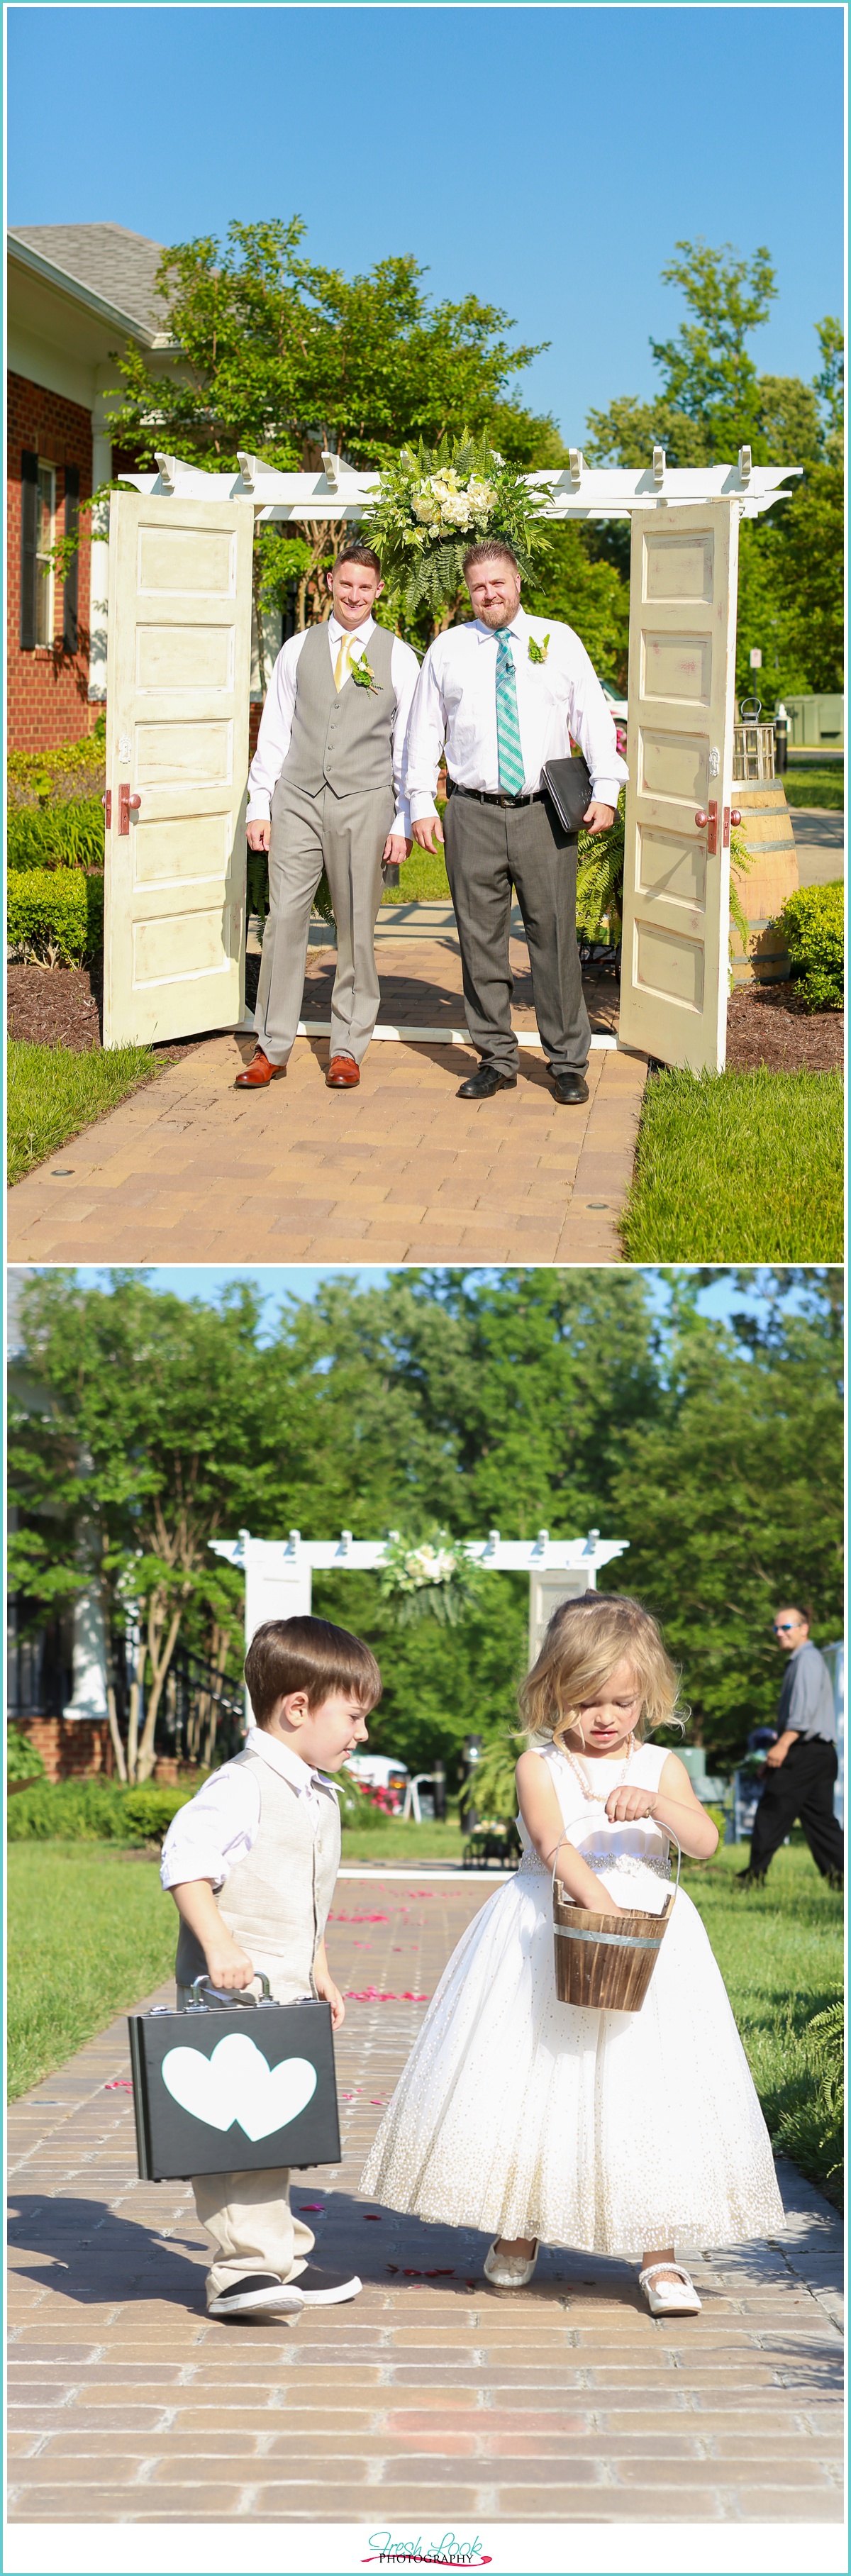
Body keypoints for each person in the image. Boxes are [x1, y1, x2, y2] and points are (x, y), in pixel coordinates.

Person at [360, 1593, 784, 2315]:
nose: (606, 1716)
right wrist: (602, 1906)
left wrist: (655, 1804)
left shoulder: (661, 1765)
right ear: (554, 1690)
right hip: (551, 1931)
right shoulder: (540, 1764)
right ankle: (520, 2226)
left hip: (650, 1951)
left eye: (621, 1699)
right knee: (532, 2080)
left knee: (651, 2087)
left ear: (647, 1694)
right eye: (587, 1699)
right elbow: (554, 1843)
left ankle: (659, 2250)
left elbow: (707, 1842)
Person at [160, 1615, 382, 2320]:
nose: (362, 1732)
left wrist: (318, 1963)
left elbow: (304, 1892)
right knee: (234, 2133)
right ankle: (240, 2272)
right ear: (297, 1707)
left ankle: (280, 2254)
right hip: (233, 1991)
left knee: (276, 2125)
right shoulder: (244, 1784)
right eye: (353, 1715)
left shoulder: (310, 1790)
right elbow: (185, 1862)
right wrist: (220, 1944)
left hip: (283, 1988)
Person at [404, 539, 628, 1103]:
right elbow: (423, 733)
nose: (489, 594)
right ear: (469, 592)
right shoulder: (447, 651)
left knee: (553, 937)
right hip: (472, 813)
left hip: (543, 815)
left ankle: (566, 1060)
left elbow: (593, 719)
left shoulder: (559, 640)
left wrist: (606, 788)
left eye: (498, 583)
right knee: (480, 941)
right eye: (479, 587)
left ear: (517, 582)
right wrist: (419, 803)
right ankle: (497, 1057)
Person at [239, 543, 419, 1092]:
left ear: (379, 590)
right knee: (283, 922)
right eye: (346, 585)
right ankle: (271, 1046)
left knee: (356, 927)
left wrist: (401, 820)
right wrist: (259, 804)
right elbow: (275, 731)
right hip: (296, 798)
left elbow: (410, 746)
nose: (355, 596)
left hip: (366, 803)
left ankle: (347, 1047)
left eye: (366, 587)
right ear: (331, 583)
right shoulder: (297, 650)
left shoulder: (401, 657)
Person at [738, 1604, 844, 1889]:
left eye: (786, 1627)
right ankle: (842, 1879)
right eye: (776, 1629)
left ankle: (753, 1878)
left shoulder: (807, 1660)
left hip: (805, 1751)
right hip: (818, 1753)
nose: (780, 1634)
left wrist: (783, 1744)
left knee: (772, 1811)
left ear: (804, 1628)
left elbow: (803, 1712)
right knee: (821, 1820)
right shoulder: (802, 1660)